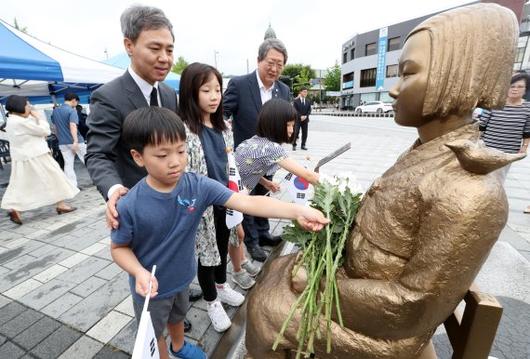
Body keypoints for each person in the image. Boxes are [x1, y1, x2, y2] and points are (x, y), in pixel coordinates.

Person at [245, 4, 523, 358]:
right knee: (276, 271)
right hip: (357, 284)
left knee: (267, 309)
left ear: (453, 78)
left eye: (407, 74)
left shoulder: (471, 190)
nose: (394, 90)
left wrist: (319, 291)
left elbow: (412, 306)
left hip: (385, 330)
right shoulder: (426, 150)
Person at [111, 106, 328, 359]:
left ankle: (179, 346)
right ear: (138, 157)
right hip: (150, 289)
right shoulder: (129, 204)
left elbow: (247, 202)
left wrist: (297, 212)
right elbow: (118, 248)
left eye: (181, 151)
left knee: (179, 315)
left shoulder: (196, 185)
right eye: (162, 155)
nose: (175, 161)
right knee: (154, 332)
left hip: (183, 277)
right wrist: (138, 272)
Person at [85, 5, 200, 328]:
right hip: (141, 205)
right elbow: (98, 154)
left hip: (175, 199)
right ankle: (153, 321)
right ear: (129, 46)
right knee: (145, 267)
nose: (165, 57)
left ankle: (175, 299)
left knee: (176, 254)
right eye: (155, 48)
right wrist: (113, 189)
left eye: (170, 49)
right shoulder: (108, 97)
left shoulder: (168, 92)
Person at [178, 62, 259, 333]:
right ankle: (211, 301)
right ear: (191, 93)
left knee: (224, 244)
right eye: (206, 90)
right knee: (206, 255)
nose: (214, 96)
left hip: (225, 200)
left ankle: (222, 286)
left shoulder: (223, 126)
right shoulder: (184, 131)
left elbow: (229, 164)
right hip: (201, 206)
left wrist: (237, 190)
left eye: (218, 90)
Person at [223, 38, 290, 261]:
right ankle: (251, 242)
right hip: (248, 157)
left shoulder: (283, 90)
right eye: (270, 62)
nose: (274, 69)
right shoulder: (240, 84)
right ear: (259, 59)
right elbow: (222, 114)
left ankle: (263, 234)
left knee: (265, 194)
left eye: (280, 65)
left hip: (270, 156)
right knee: (248, 199)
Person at [1, 95, 78, 225]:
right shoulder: (22, 121)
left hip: (22, 158)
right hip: (37, 156)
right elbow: (45, 130)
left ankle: (16, 208)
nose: (29, 108)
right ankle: (61, 205)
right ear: (20, 107)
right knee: (55, 178)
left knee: (21, 184)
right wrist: (38, 116)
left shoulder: (11, 121)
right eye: (27, 105)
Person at [235, 99, 320, 208]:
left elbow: (247, 170)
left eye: (293, 126)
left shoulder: (255, 140)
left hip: (229, 192)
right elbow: (308, 175)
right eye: (288, 125)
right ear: (275, 124)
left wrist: (265, 182)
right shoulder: (272, 148)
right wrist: (333, 186)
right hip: (235, 199)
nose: (291, 130)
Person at [51, 93, 86, 188]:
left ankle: (72, 186)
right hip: (76, 141)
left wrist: (59, 138)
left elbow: (55, 127)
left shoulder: (55, 111)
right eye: (77, 102)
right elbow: (73, 125)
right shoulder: (71, 111)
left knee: (68, 165)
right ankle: (98, 180)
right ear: (74, 100)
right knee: (88, 160)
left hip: (63, 142)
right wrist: (75, 141)